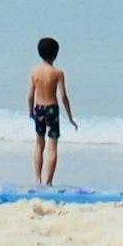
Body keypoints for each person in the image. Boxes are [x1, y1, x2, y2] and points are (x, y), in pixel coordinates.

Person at [27, 37, 76, 188]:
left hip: (39, 108)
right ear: (56, 54)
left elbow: (30, 96)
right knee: (52, 147)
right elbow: (63, 96)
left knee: (38, 145)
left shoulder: (35, 72)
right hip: (52, 109)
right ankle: (48, 182)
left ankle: (37, 179)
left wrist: (30, 112)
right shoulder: (58, 73)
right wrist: (70, 117)